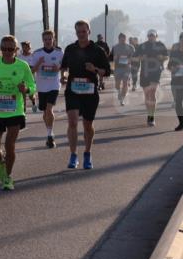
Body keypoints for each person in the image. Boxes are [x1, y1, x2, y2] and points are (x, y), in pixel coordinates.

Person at [0, 36, 36, 191]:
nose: (7, 52)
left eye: (11, 49)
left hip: (15, 110)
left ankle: (8, 177)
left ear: (16, 50)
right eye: (4, 49)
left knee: (10, 145)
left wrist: (27, 90)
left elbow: (32, 85)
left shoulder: (23, 66)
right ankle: (2, 160)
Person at [60, 21, 110, 170]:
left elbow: (107, 72)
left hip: (90, 92)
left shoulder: (97, 50)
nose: (81, 34)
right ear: (75, 32)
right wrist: (63, 75)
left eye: (84, 31)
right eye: (78, 31)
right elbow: (63, 66)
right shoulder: (70, 49)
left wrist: (94, 69)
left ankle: (87, 153)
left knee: (87, 125)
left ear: (89, 31)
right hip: (73, 90)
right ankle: (73, 155)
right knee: (73, 121)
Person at [30, 30, 63, 148]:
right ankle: (49, 132)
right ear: (42, 40)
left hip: (54, 85)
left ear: (53, 39)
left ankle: (50, 135)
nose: (48, 41)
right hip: (42, 86)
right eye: (46, 39)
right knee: (45, 113)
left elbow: (63, 66)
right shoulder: (37, 54)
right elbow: (32, 71)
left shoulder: (59, 53)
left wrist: (58, 68)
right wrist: (39, 63)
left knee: (49, 110)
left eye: (50, 39)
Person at [136, 29, 169, 127]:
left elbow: (166, 56)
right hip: (144, 72)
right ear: (147, 36)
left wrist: (161, 57)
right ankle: (149, 114)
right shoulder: (142, 46)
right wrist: (141, 58)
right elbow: (134, 57)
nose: (151, 37)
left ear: (156, 36)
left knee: (152, 93)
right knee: (147, 95)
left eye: (153, 35)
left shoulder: (160, 45)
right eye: (150, 35)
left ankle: (151, 116)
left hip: (156, 72)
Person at [109, 33, 135, 106]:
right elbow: (110, 58)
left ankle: (122, 98)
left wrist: (130, 59)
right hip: (117, 68)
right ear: (119, 39)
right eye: (121, 39)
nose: (123, 40)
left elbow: (134, 57)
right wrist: (114, 58)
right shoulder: (115, 47)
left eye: (124, 39)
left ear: (125, 39)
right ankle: (119, 92)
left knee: (125, 83)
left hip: (126, 68)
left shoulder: (130, 47)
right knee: (117, 84)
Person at [18, 41, 38, 112]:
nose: (26, 48)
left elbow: (35, 68)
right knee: (22, 95)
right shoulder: (19, 57)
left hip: (31, 79)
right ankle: (23, 110)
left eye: (27, 46)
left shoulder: (33, 56)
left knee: (31, 96)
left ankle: (33, 102)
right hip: (21, 79)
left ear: (30, 47)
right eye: (24, 46)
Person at [169, 33, 183, 131]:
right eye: (182, 40)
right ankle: (181, 123)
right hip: (176, 81)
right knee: (178, 103)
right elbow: (169, 66)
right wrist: (173, 68)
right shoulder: (174, 53)